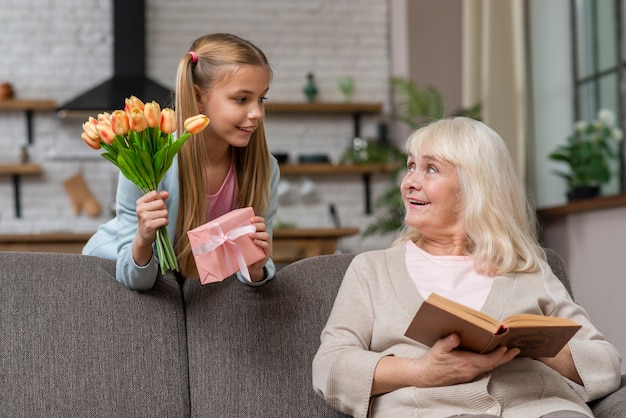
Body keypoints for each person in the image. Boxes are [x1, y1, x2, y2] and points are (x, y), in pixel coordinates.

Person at [312, 117, 622, 417]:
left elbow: (607, 364)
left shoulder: (526, 267)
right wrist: (421, 372)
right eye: (411, 167)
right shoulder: (371, 270)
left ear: (476, 187)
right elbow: (331, 366)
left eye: (430, 169)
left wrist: (538, 345)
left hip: (543, 409)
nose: (409, 183)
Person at [83, 33, 279, 291]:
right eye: (241, 99)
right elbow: (135, 279)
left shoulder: (264, 168)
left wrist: (256, 268)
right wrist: (143, 238)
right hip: (112, 274)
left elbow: (253, 268)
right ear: (199, 98)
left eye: (261, 99)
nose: (256, 113)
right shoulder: (150, 161)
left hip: (189, 284)